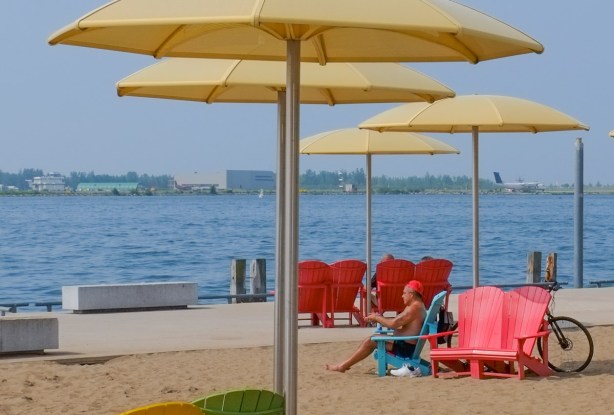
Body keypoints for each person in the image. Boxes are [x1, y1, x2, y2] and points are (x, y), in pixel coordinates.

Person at [325, 280, 426, 376]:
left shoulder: (414, 308)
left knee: (370, 341)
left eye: (404, 293)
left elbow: (393, 324)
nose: (402, 295)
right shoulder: (417, 306)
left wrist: (377, 317)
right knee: (373, 337)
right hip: (404, 344)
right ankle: (343, 365)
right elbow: (397, 321)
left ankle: (342, 366)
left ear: (411, 294)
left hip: (405, 349)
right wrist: (379, 318)